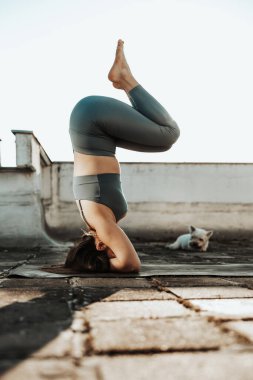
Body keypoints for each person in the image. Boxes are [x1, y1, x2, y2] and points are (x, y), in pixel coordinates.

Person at [65, 39, 180, 273]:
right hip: (96, 132)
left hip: (91, 120)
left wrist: (104, 266)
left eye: (109, 251)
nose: (117, 245)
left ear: (99, 244)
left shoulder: (101, 225)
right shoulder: (97, 220)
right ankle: (123, 78)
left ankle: (124, 78)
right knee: (163, 144)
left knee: (169, 134)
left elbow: (129, 263)